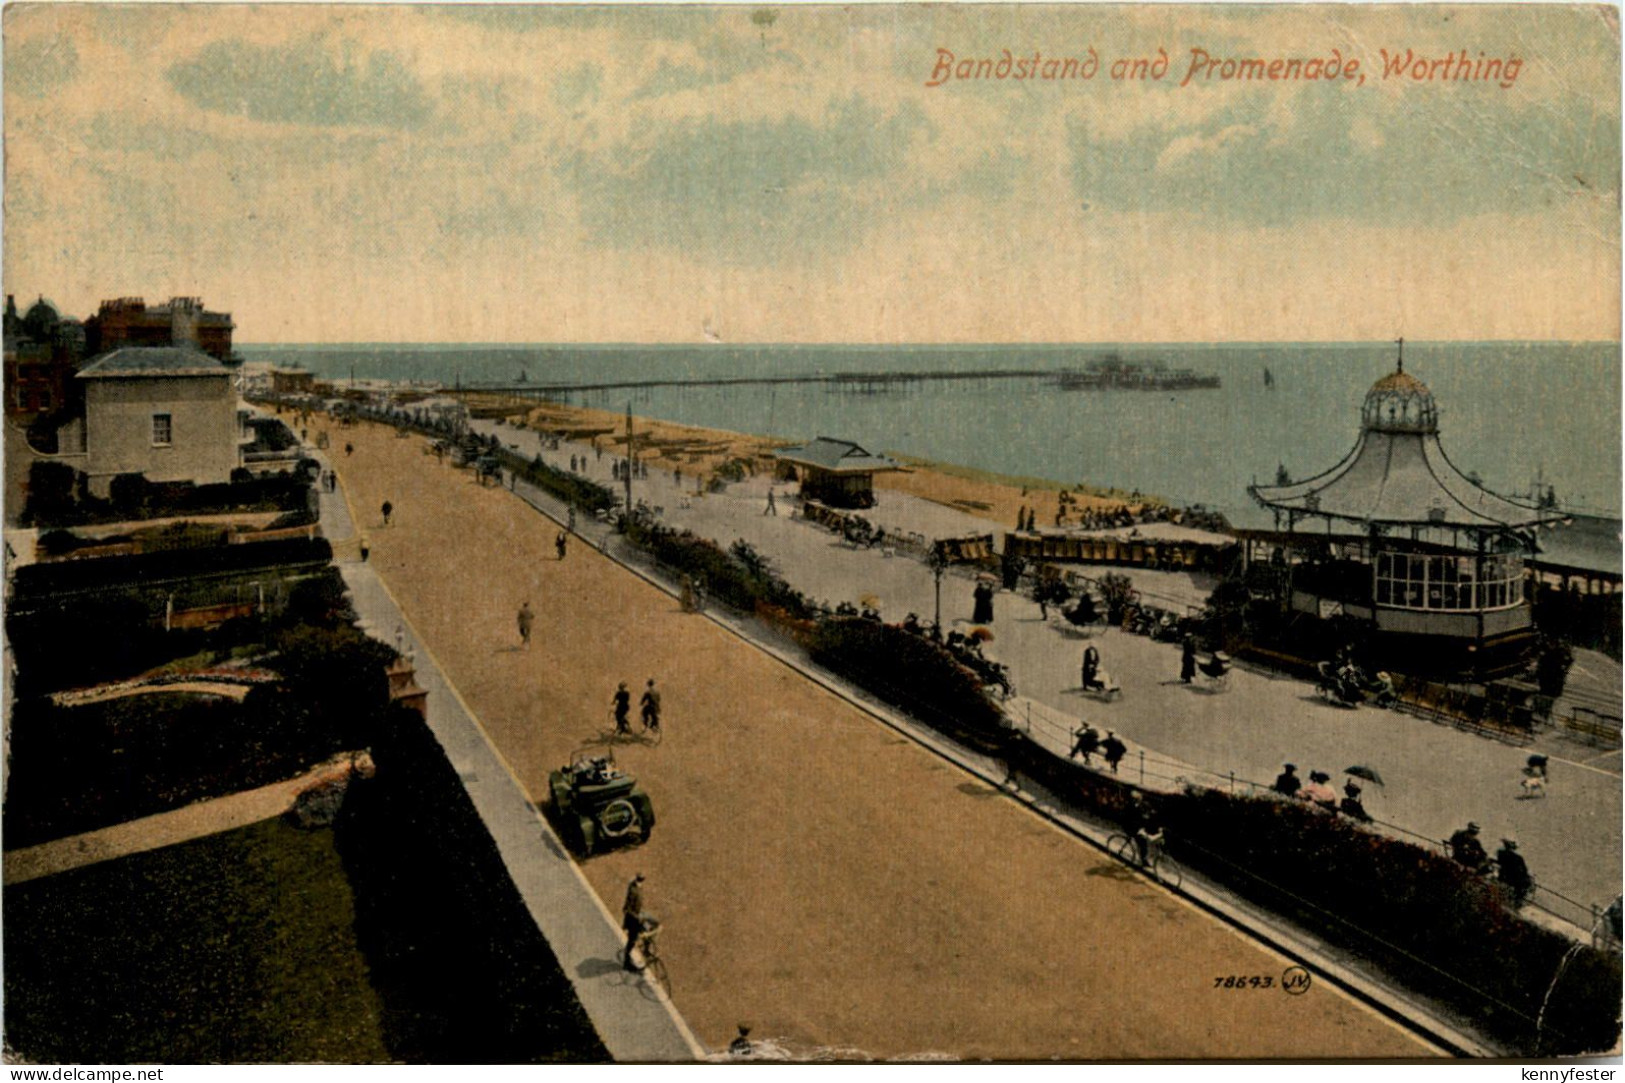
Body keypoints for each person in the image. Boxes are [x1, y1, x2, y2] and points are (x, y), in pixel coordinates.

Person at [1495, 839, 1532, 909]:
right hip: (1513, 880)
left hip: (1503, 877)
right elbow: (1524, 870)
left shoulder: (1501, 853)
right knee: (1524, 883)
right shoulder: (1518, 858)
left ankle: (1515, 900)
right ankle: (1517, 902)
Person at [623, 873, 647, 971]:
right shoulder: (633, 890)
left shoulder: (636, 887)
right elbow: (628, 909)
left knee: (645, 931)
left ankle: (645, 950)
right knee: (631, 940)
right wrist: (637, 917)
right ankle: (627, 963)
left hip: (636, 916)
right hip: (632, 920)